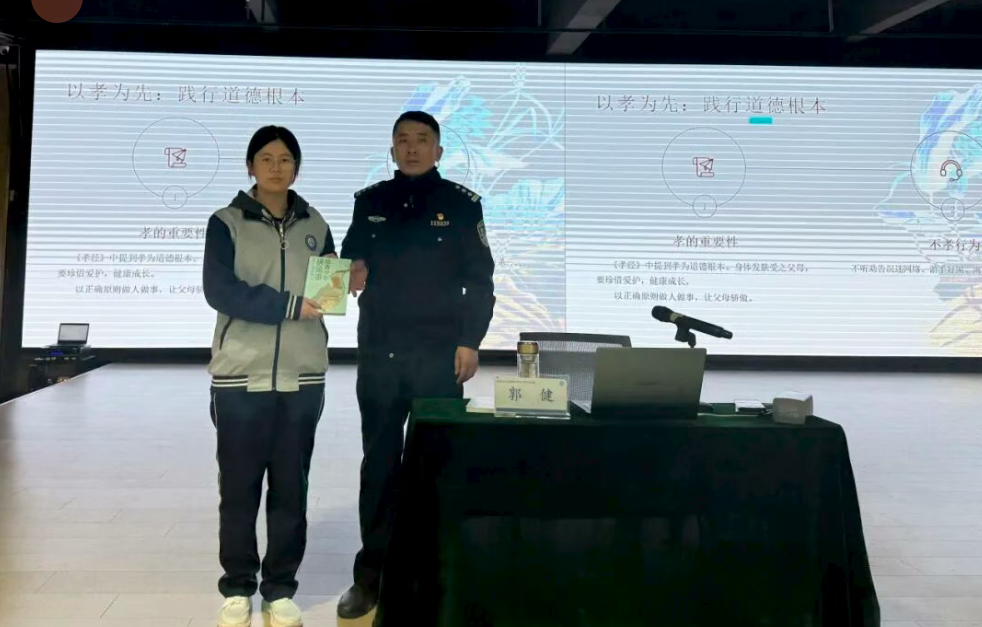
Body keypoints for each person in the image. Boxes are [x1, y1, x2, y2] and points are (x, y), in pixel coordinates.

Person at [336, 111, 496, 619]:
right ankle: (371, 577)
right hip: (380, 355)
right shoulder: (371, 202)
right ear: (392, 150)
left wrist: (470, 341)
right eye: (403, 140)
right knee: (380, 466)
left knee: (434, 467)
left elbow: (481, 280)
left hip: (439, 356)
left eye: (422, 140)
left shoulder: (462, 204)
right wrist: (352, 267)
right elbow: (349, 256)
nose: (411, 148)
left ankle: (433, 572)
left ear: (438, 151)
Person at [203, 125, 335, 627]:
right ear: (250, 166)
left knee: (291, 488)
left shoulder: (316, 223)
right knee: (239, 489)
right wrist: (289, 305)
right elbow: (220, 291)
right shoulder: (226, 222)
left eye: (285, 159)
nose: (276, 167)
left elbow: (329, 289)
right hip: (241, 375)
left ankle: (280, 588)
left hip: (303, 376)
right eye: (266, 158)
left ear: (296, 169)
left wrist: (347, 281)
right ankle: (238, 586)